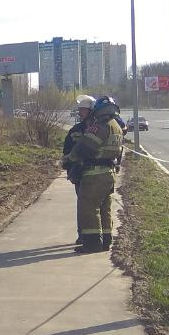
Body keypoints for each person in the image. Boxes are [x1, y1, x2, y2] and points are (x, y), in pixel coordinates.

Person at [64, 95, 125, 253]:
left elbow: (85, 147)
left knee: (89, 208)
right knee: (105, 208)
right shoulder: (116, 127)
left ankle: (92, 245)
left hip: (94, 175)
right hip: (109, 173)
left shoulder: (100, 126)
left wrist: (68, 159)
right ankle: (106, 241)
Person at [61, 94, 97, 245]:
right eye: (80, 110)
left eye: (83, 110)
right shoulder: (74, 130)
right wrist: (70, 171)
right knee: (83, 205)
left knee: (94, 206)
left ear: (90, 111)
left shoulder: (98, 129)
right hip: (80, 174)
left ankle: (94, 235)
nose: (80, 113)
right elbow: (66, 152)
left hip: (95, 173)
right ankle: (83, 235)